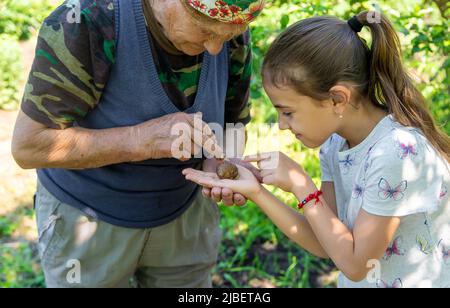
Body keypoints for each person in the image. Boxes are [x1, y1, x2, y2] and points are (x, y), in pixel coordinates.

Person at [183, 11, 450, 288]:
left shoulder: (398, 151)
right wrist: (258, 192)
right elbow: (327, 242)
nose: (283, 126)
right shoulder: (335, 145)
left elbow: (356, 265)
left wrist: (301, 185)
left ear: (337, 98)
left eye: (288, 112)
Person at [11, 0, 265, 287]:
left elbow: (234, 118)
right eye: (205, 31)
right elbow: (28, 146)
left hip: (184, 213)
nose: (215, 49)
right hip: (88, 217)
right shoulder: (87, 20)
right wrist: (140, 140)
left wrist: (222, 160)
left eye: (227, 36)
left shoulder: (230, 24)